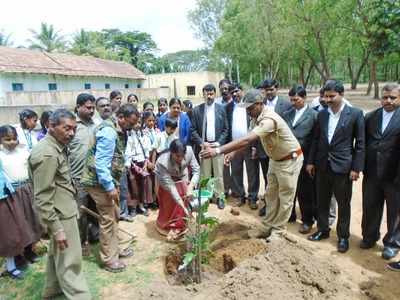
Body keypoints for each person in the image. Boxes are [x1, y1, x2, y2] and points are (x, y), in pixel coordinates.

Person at [200, 89, 303, 239]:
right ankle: (268, 226)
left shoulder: (269, 119)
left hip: (289, 160)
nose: (248, 112)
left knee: (285, 197)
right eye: (246, 109)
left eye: (250, 108)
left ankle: (278, 230)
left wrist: (217, 151)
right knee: (271, 194)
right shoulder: (256, 117)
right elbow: (247, 140)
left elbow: (247, 140)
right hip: (276, 159)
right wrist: (233, 153)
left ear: (260, 104)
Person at [29, 109, 91, 299]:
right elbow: (43, 196)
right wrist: (56, 229)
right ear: (51, 126)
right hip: (59, 216)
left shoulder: (56, 147)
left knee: (57, 254)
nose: (71, 133)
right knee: (71, 261)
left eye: (73, 129)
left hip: (64, 210)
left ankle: (52, 289)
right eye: (66, 128)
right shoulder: (47, 154)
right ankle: (80, 296)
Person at [306, 79, 365, 253]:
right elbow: (316, 139)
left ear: (342, 94)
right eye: (326, 96)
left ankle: (343, 237)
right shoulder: (322, 114)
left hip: (343, 168)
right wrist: (310, 161)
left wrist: (356, 168)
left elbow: (360, 144)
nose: (329, 100)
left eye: (332, 96)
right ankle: (323, 230)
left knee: (343, 203)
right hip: (322, 165)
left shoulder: (355, 114)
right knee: (322, 201)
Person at [81, 104, 139, 273]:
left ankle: (116, 249)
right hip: (100, 183)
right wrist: (109, 186)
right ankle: (109, 259)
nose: (132, 126)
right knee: (108, 219)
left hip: (108, 181)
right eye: (130, 122)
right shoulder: (108, 132)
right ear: (120, 117)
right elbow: (100, 163)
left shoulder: (115, 129)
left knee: (114, 216)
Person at [361, 83, 400, 260]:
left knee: (395, 212)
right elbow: (362, 144)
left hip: (395, 176)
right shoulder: (370, 117)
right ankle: (369, 237)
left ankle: (392, 244)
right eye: (385, 97)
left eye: (393, 97)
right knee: (370, 207)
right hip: (372, 173)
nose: (388, 101)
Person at [0, 128, 39, 280]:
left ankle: (30, 251)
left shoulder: (24, 152)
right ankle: (17, 257)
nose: (11, 142)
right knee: (16, 225)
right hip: (12, 193)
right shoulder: (1, 155)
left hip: (27, 188)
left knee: (30, 220)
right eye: (7, 139)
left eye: (14, 139)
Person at [282, 85, 318, 234]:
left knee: (305, 192)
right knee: (290, 188)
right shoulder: (287, 114)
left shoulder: (314, 115)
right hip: (289, 158)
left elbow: (315, 141)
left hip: (305, 159)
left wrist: (311, 162)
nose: (293, 102)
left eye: (296, 99)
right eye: (291, 100)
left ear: (304, 98)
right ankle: (290, 215)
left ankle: (307, 220)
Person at [256, 79, 292, 216]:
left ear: (277, 88)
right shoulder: (260, 104)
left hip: (281, 150)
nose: (269, 92)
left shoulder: (286, 105)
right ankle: (269, 206)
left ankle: (287, 212)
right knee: (268, 181)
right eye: (266, 90)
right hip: (264, 149)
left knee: (284, 183)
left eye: (271, 89)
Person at [69, 93, 99, 256]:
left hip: (94, 177)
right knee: (80, 213)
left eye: (93, 108)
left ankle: (95, 236)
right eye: (88, 108)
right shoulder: (71, 126)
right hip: (78, 179)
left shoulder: (95, 125)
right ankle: (81, 242)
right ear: (78, 107)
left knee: (95, 208)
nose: (92, 111)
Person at [191, 84, 229, 209]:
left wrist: (218, 143)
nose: (209, 96)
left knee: (219, 174)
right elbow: (193, 130)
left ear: (215, 94)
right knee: (205, 174)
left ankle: (220, 197)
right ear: (203, 94)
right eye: (207, 93)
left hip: (217, 146)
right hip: (204, 147)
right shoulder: (197, 110)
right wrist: (202, 143)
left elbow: (225, 129)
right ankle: (205, 198)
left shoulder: (221, 109)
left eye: (211, 93)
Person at [155, 140, 200, 241]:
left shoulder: (189, 151)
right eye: (177, 156)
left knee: (185, 195)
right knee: (170, 201)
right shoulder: (162, 163)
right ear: (171, 153)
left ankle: (178, 225)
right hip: (166, 181)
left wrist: (191, 186)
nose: (180, 158)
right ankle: (168, 223)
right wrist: (183, 207)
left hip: (181, 174)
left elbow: (197, 170)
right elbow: (171, 187)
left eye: (182, 156)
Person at [225, 84, 254, 208]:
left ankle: (252, 197)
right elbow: (226, 127)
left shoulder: (250, 105)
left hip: (249, 144)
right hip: (234, 145)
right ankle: (240, 195)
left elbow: (255, 125)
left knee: (252, 172)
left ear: (242, 91)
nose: (235, 94)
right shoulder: (228, 107)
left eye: (237, 91)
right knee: (236, 171)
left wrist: (254, 146)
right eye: (232, 92)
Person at [125, 122, 154, 217]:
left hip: (142, 163)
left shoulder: (144, 136)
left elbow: (147, 151)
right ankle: (133, 207)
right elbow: (128, 152)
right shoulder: (129, 136)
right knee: (133, 186)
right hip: (133, 164)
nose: (137, 124)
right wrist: (130, 165)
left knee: (142, 186)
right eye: (135, 122)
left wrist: (146, 163)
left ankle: (141, 206)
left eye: (138, 122)